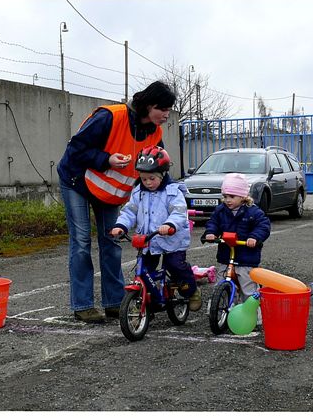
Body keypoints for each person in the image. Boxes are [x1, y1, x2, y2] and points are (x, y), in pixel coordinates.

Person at [57, 81, 176, 323]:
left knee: (112, 241)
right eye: (163, 109)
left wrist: (174, 195)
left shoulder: (155, 132)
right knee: (81, 242)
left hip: (110, 192)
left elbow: (159, 168)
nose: (166, 115)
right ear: (149, 105)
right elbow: (75, 149)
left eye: (168, 110)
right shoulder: (109, 117)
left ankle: (113, 302)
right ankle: (83, 305)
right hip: (77, 181)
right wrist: (106, 159)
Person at [110, 146, 202, 311]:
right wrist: (121, 225)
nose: (148, 183)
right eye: (144, 179)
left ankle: (192, 291)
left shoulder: (172, 191)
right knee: (144, 270)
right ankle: (148, 301)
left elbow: (179, 212)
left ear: (162, 175)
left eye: (152, 178)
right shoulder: (139, 192)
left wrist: (169, 225)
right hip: (148, 241)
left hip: (172, 239)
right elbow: (130, 211)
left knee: (175, 266)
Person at [203, 173, 271, 324]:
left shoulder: (253, 212)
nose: (228, 200)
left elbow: (264, 226)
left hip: (246, 257)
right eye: (225, 196)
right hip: (226, 255)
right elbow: (212, 222)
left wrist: (254, 237)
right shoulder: (221, 210)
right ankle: (220, 306)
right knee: (221, 282)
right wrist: (211, 233)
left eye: (232, 196)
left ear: (243, 196)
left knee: (248, 287)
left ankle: (254, 314)